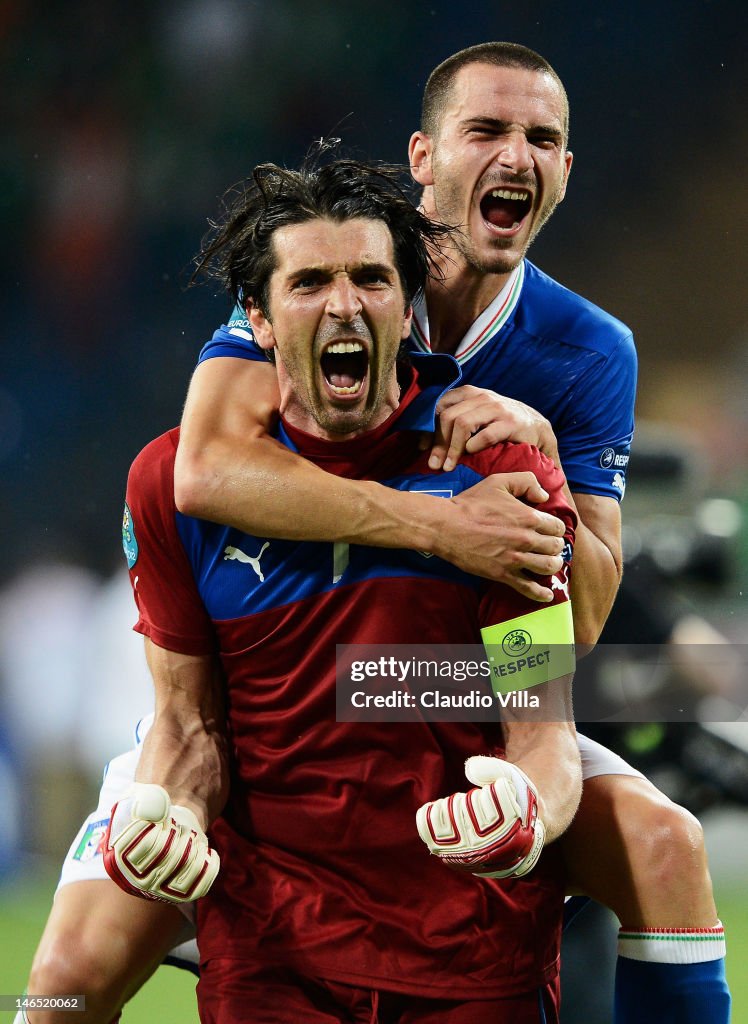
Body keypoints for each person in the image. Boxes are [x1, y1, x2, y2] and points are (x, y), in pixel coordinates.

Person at [22, 42, 729, 1024]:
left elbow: (573, 632)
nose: (516, 156)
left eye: (542, 138)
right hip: (262, 708)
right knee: (62, 980)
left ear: (568, 170)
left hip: (449, 690)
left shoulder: (583, 353)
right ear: (424, 155)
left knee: (663, 841)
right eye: (486, 129)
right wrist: (444, 528)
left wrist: (540, 479)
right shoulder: (306, 268)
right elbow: (204, 470)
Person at [103, 155, 581, 1022]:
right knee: (60, 980)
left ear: (407, 306)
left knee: (665, 844)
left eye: (370, 277)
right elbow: (188, 724)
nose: (345, 304)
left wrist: (528, 813)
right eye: (310, 281)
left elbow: (541, 724)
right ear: (256, 317)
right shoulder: (169, 485)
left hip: (472, 959)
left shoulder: (503, 478)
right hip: (270, 958)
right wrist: (167, 812)